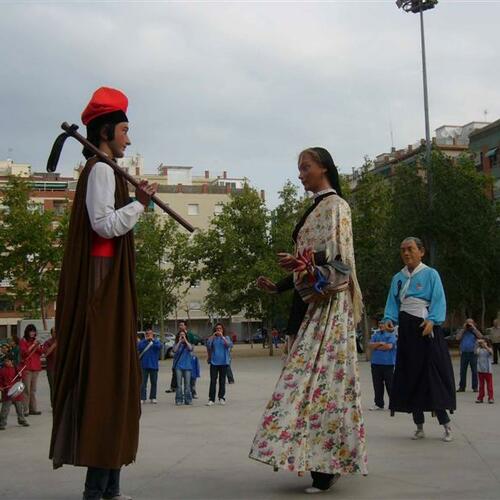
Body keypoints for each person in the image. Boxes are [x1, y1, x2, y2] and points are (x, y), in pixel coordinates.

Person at [49, 87, 157, 500]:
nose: (129, 139)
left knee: (115, 382)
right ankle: (97, 490)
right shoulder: (100, 169)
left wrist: (136, 204)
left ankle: (109, 487)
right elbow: (103, 225)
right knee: (104, 380)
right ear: (107, 130)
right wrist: (140, 206)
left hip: (110, 283)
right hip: (101, 285)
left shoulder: (108, 168)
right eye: (125, 130)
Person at [249, 147, 367, 493]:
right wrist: (280, 285)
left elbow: (338, 258)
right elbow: (311, 262)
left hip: (329, 308)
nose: (300, 174)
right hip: (312, 305)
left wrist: (303, 262)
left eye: (306, 167)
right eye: (299, 168)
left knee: (323, 386)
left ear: (324, 168)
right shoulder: (318, 207)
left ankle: (326, 465)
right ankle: (320, 461)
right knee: (311, 385)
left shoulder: (337, 207)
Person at [384, 237, 456, 443]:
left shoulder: (431, 274)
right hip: (406, 328)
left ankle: (446, 423)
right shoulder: (397, 277)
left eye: (411, 249)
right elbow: (392, 303)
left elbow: (438, 299)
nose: (406, 253)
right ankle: (419, 425)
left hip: (425, 326)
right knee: (410, 373)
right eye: (403, 250)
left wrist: (433, 321)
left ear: (421, 251)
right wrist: (389, 318)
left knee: (432, 373)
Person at [369, 320, 396, 411]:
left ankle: (394, 404)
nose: (380, 325)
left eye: (382, 324)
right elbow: (370, 345)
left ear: (387, 325)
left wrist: (376, 346)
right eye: (379, 323)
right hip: (375, 363)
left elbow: (389, 347)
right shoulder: (375, 335)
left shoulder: (391, 335)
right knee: (377, 385)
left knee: (390, 385)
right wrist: (380, 343)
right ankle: (379, 404)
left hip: (388, 364)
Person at [206, 323, 233, 406]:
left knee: (222, 381)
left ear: (223, 330)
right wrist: (213, 336)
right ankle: (211, 399)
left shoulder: (226, 338)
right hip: (214, 362)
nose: (218, 330)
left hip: (223, 362)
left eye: (220, 328)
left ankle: (221, 397)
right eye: (217, 329)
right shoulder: (213, 339)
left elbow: (229, 345)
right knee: (213, 381)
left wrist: (222, 337)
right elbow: (208, 345)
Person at [0, 356, 30, 430]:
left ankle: (21, 420)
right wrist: (0, 386)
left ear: (12, 361)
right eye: (5, 361)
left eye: (8, 361)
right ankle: (2, 423)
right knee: (5, 409)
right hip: (7, 393)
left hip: (16, 392)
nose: (6, 363)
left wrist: (20, 375)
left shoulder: (16, 369)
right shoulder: (1, 370)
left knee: (20, 408)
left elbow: (21, 377)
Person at [20, 324, 43, 416]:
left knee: (33, 390)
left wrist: (38, 345)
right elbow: (24, 353)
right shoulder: (23, 341)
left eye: (34, 331)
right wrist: (33, 345)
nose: (33, 333)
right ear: (27, 332)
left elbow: (41, 352)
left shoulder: (36, 341)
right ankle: (25, 410)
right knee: (26, 390)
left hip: (36, 368)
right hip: (27, 368)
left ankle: (33, 409)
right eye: (31, 331)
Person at [456, 319, 482, 392]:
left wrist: (474, 328)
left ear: (473, 323)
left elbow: (480, 336)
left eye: (470, 323)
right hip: (464, 353)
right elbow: (457, 338)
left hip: (473, 353)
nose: (468, 324)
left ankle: (475, 387)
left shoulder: (474, 331)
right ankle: (462, 387)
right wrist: (463, 329)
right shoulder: (463, 331)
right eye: (467, 323)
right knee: (462, 371)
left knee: (474, 371)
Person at [138, 327, 162, 404]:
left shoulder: (156, 342)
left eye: (151, 334)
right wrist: (146, 340)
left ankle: (153, 397)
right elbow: (139, 347)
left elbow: (159, 347)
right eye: (148, 334)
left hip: (154, 366)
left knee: (154, 382)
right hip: (144, 366)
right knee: (143, 383)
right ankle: (142, 397)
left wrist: (153, 340)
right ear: (146, 334)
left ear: (153, 334)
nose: (149, 335)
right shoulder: (142, 342)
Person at [172, 329, 194, 405]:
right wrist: (179, 341)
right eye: (180, 335)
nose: (182, 336)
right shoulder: (176, 344)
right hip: (178, 367)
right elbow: (174, 350)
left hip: (187, 367)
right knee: (179, 385)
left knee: (187, 385)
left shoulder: (189, 343)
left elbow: (190, 348)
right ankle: (179, 400)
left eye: (183, 335)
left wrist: (185, 340)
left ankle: (188, 399)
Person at [475, 338, 494, 404]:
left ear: (487, 343)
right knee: (481, 385)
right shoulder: (479, 349)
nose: (482, 344)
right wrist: (477, 344)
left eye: (484, 342)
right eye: (481, 343)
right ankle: (480, 397)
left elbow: (491, 353)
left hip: (488, 371)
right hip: (480, 370)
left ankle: (491, 397)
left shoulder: (489, 349)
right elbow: (476, 352)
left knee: (489, 385)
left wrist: (485, 346)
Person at [43, 327, 57, 408]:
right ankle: (54, 405)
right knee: (53, 388)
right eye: (54, 332)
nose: (56, 333)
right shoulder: (47, 342)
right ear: (51, 333)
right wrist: (54, 345)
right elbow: (46, 354)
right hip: (51, 369)